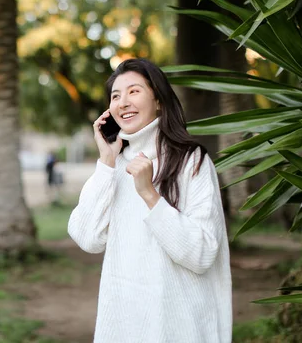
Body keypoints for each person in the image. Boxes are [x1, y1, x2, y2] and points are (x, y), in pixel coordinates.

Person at [67, 58, 232, 342]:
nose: (123, 102)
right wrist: (106, 161)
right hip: (123, 326)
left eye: (134, 91)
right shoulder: (114, 165)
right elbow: (86, 237)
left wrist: (150, 195)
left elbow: (203, 254)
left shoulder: (191, 161)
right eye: (116, 96)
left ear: (158, 100)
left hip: (179, 328)